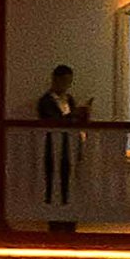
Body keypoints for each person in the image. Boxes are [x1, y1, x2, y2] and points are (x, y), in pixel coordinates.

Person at [34, 65, 87, 232]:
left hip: (70, 148)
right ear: (56, 80)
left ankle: (69, 218)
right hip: (54, 149)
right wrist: (74, 115)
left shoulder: (69, 99)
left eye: (69, 81)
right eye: (64, 81)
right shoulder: (46, 101)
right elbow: (52, 121)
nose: (67, 85)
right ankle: (55, 220)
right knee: (54, 183)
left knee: (69, 184)